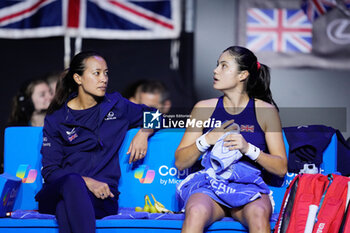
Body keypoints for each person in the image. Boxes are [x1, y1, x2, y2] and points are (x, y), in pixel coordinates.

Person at [34, 51, 155, 233]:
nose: (103, 79)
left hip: (103, 196)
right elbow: (51, 171)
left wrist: (144, 133)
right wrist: (88, 182)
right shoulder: (57, 118)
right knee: (72, 183)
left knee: (64, 207)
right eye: (96, 73)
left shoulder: (117, 106)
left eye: (106, 73)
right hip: (59, 190)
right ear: (78, 78)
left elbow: (157, 115)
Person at [175, 46, 287, 233]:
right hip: (210, 185)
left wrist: (248, 149)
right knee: (195, 211)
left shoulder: (266, 111)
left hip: (248, 187)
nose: (215, 70)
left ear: (243, 75)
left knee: (258, 215)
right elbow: (180, 162)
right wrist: (206, 140)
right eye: (217, 65)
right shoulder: (203, 108)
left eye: (224, 66)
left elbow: (281, 168)